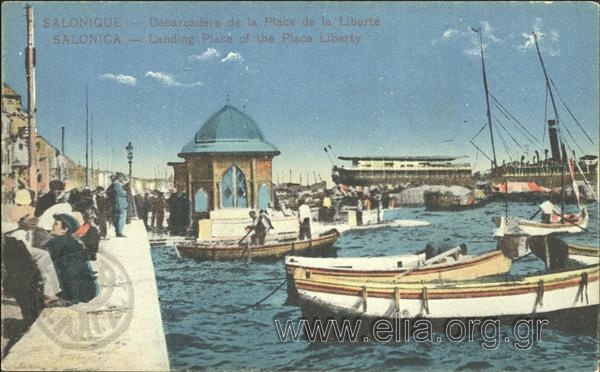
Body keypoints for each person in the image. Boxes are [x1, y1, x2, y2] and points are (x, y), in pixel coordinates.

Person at [45, 213, 98, 305]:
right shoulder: (73, 242)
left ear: (65, 229)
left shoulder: (57, 243)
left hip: (74, 293)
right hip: (88, 291)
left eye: (56, 224)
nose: (52, 226)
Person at [110, 173, 128, 237]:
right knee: (122, 218)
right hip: (120, 204)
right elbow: (122, 193)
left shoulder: (115, 184)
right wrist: (125, 192)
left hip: (118, 204)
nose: (124, 181)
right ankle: (119, 232)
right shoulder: (117, 184)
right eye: (123, 179)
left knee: (119, 218)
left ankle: (118, 231)